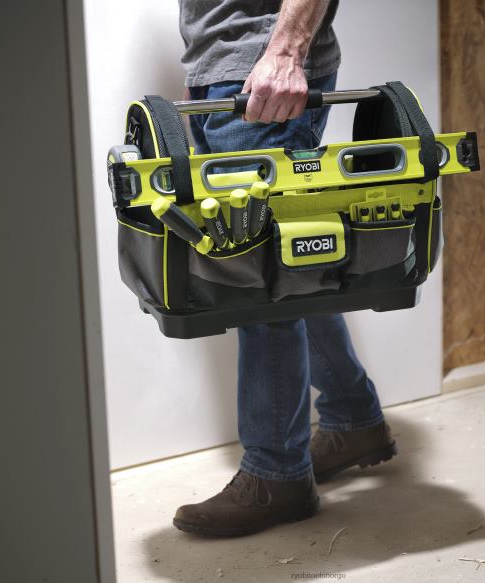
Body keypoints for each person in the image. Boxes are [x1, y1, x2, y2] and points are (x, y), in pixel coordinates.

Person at [172, 0, 397, 537]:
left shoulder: (272, 60)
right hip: (230, 73)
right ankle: (354, 419)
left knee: (259, 281)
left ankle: (276, 474)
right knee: (290, 269)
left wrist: (286, 51)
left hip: (262, 75)